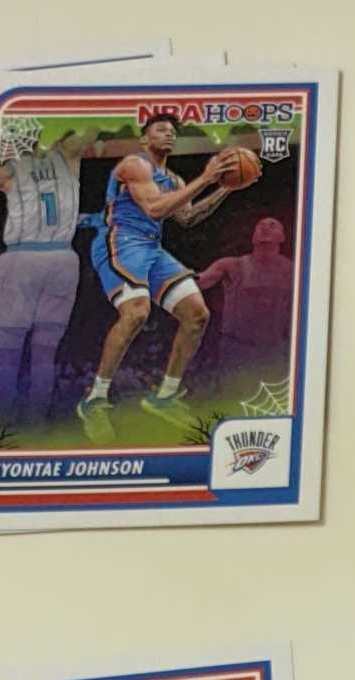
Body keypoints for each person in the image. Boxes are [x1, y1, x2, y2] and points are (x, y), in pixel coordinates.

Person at [75, 113, 243, 442]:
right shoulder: (134, 164)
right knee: (137, 312)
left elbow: (188, 217)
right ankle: (94, 399)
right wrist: (206, 178)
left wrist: (225, 188)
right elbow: (154, 209)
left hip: (152, 247)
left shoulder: (175, 180)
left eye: (172, 132)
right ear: (144, 139)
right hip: (121, 241)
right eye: (160, 130)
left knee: (197, 315)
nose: (169, 134)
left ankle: (164, 396)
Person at [0, 129, 88, 421]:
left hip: (22, 258)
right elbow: (92, 127)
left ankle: (1, 426)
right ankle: (37, 425)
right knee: (45, 357)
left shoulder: (10, 168)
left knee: (7, 360)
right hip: (63, 258)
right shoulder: (69, 157)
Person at [196, 214, 295, 383]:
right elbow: (200, 282)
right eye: (261, 225)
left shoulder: (293, 270)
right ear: (253, 237)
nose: (265, 227)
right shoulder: (231, 265)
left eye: (272, 225)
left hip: (275, 350)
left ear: (282, 237)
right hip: (236, 350)